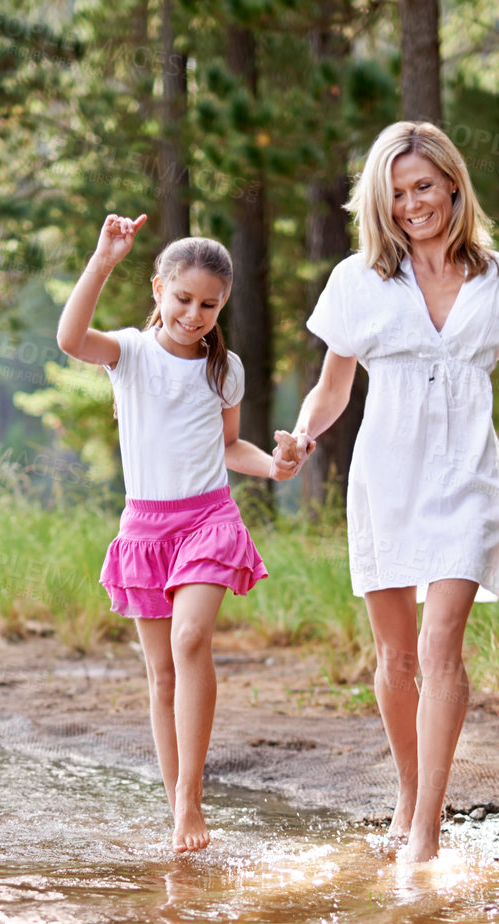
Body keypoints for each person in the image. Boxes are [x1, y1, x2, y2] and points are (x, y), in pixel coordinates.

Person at [275, 121, 499, 864]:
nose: (413, 204)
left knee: (441, 643)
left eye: (423, 187)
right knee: (395, 656)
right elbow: (332, 385)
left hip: (468, 476)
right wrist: (302, 435)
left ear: (452, 183)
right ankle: (409, 792)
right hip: (386, 475)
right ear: (381, 202)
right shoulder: (358, 280)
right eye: (397, 192)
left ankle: (426, 830)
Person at [57, 213, 298, 852]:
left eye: (209, 305)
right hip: (145, 528)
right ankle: (178, 814)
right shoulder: (130, 354)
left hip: (207, 519)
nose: (195, 314)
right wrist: (103, 260)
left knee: (192, 640)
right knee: (161, 676)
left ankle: (192, 799)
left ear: (224, 306)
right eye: (184, 298)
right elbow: (70, 338)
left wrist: (273, 466)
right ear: (160, 290)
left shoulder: (225, 370)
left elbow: (228, 446)